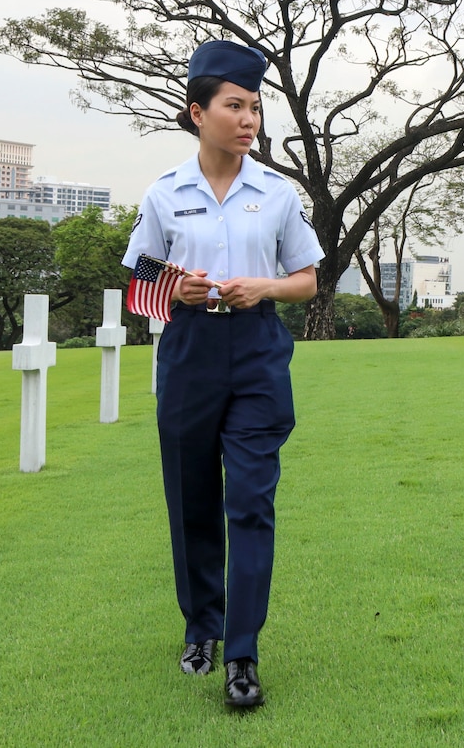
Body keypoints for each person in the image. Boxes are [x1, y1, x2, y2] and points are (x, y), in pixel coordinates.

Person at [121, 40, 324, 708]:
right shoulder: (164, 193)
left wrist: (262, 287)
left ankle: (242, 651)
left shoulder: (276, 192)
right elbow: (137, 278)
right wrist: (172, 292)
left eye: (255, 107)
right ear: (197, 112)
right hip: (188, 355)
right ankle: (200, 626)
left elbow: (306, 280)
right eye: (235, 106)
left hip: (258, 352)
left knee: (251, 501)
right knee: (192, 498)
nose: (249, 119)